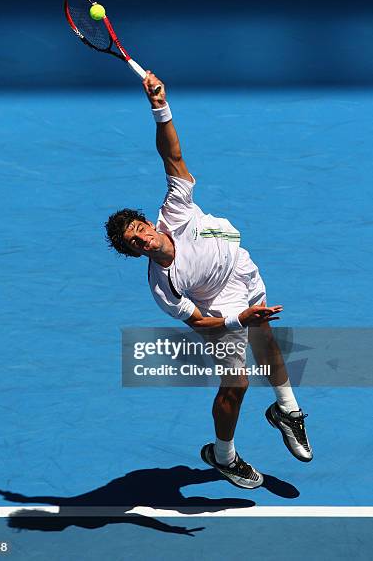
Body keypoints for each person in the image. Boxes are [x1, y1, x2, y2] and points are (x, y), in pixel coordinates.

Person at [105, 72, 312, 489]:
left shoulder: (176, 209)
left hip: (242, 272)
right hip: (221, 310)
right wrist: (239, 319)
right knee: (236, 384)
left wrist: (159, 106)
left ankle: (286, 410)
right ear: (134, 253)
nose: (142, 239)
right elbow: (200, 323)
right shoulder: (163, 284)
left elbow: (172, 156)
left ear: (148, 222)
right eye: (134, 243)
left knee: (266, 340)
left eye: (139, 229)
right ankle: (223, 456)